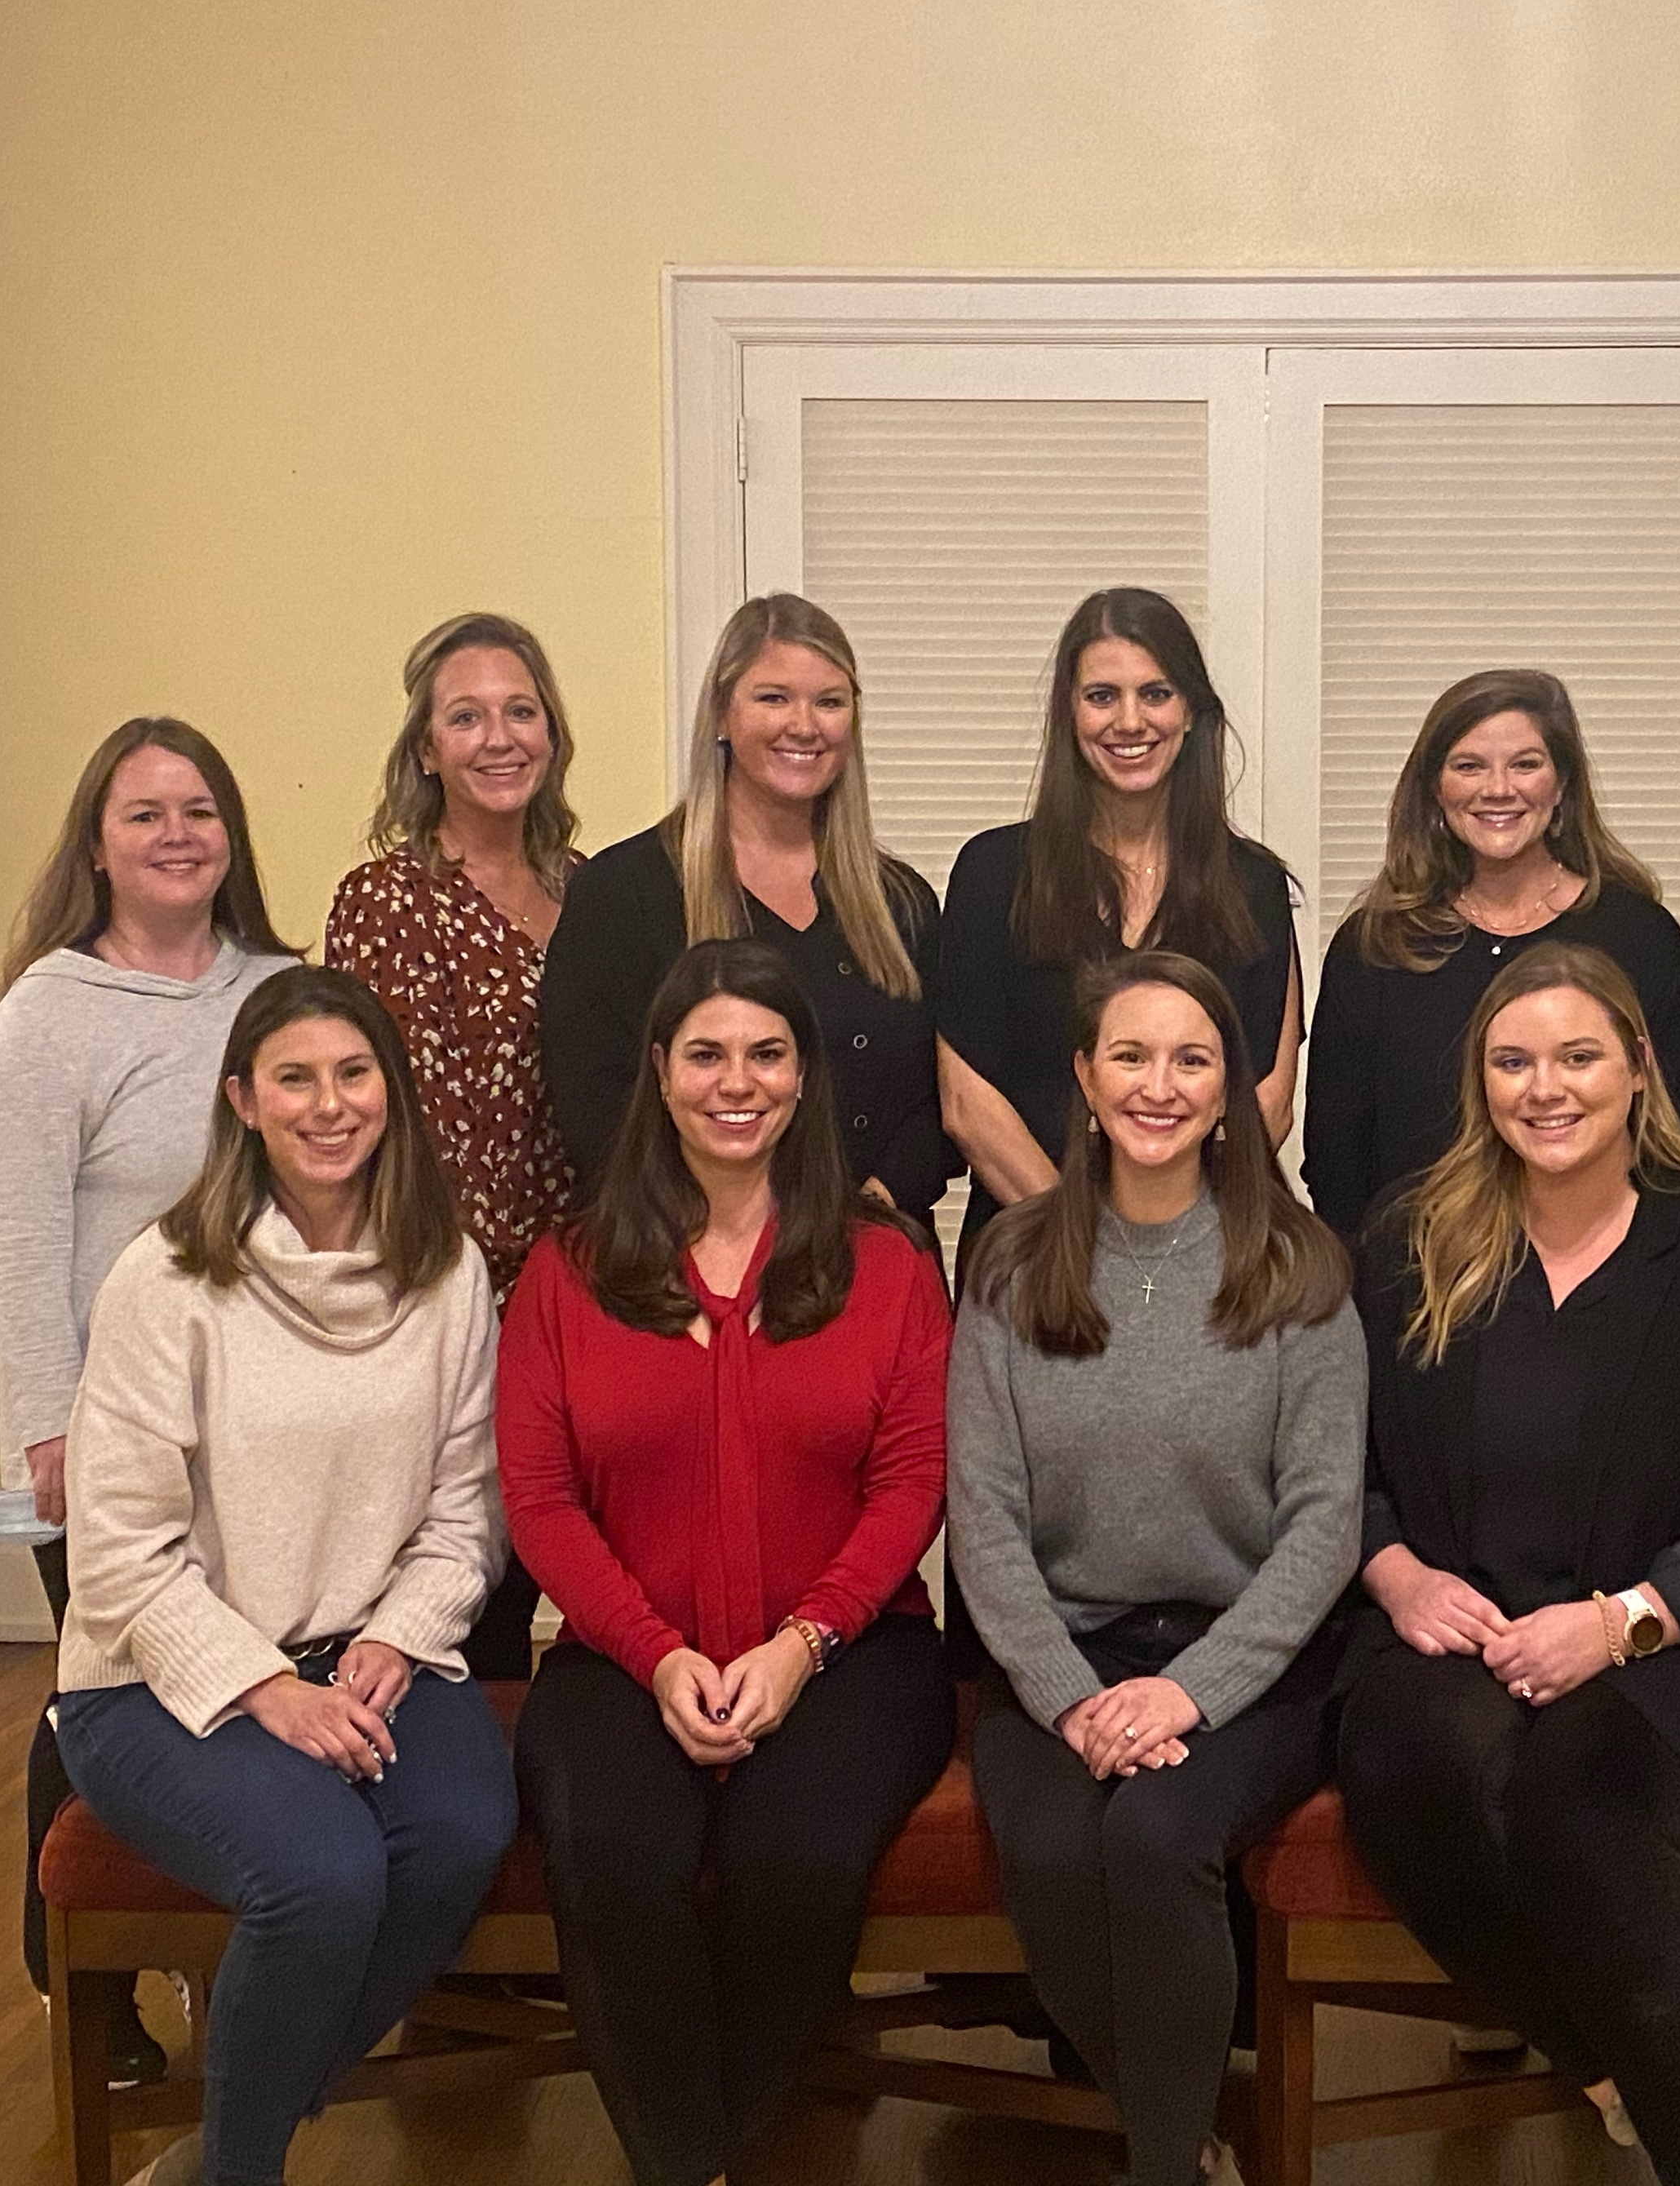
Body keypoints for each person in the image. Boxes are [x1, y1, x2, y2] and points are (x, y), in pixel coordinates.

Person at [1333, 942, 1680, 2186]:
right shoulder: (1407, 1243)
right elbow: (1322, 1461)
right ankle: (1643, 2086)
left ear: (1639, 1070)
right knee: (1415, 1758)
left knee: (1580, 1788)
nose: (1546, 1088)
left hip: (1677, 1649)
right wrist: (1393, 1571)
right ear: (1480, 1081)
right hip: (1456, 1627)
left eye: (1578, 1057)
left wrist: (1623, 1622)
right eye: (1513, 1062)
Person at [500, 938, 954, 2186]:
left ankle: (706, 2150)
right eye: (706, 1054)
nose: (736, 1082)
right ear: (660, 1071)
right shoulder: (566, 1272)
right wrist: (656, 1656)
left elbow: (912, 1483)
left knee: (792, 1858)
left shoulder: (887, 1267)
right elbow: (540, 1501)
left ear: (804, 1078)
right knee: (611, 1856)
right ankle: (692, 2164)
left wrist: (802, 1645)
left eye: (767, 1054)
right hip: (621, 1654)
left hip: (853, 1651)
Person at [50, 966, 512, 2186]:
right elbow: (118, 1553)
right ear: (243, 1102)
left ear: (391, 1091)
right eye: (294, 1080)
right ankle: (242, 2172)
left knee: (461, 1835)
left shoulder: (447, 1271)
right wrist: (265, 1687)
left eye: (354, 1074)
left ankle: (226, 2142)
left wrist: (398, 1635)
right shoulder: (168, 1278)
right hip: (159, 1680)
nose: (329, 1105)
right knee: (322, 1877)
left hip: (368, 1657)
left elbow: (467, 1510)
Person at [949, 951, 1363, 2186]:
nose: (1160, 1085)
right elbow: (982, 1517)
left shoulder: (1299, 1268)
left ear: (1231, 1090)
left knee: (1155, 1835)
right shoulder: (1011, 1265)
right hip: (1061, 1657)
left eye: (1193, 1060)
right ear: (1084, 1079)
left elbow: (1324, 1527)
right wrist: (1069, 1698)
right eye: (1130, 1056)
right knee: (1051, 1853)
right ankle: (1179, 2132)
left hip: (1252, 1663)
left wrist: (1190, 1693)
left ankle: (1165, 2164)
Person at [0, 715, 299, 2074]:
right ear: (96, 845)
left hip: (270, 1429)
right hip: (112, 1436)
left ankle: (232, 1960)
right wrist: (48, 1429)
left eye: (199, 809)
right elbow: (19, 1244)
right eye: (145, 812)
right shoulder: (45, 1019)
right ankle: (81, 1978)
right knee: (109, 1700)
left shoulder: (282, 991)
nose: (177, 834)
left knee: (238, 1702)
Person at [324, 610, 584, 1679]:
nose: (499, 737)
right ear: (426, 750)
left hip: (583, 1293)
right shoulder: (383, 903)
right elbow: (367, 1122)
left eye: (521, 711)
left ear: (551, 733)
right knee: (462, 1597)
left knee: (579, 1571)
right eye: (467, 717)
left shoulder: (596, 891)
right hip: (437, 1299)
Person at [541, 593, 952, 1234]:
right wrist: (727, 1237)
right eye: (773, 698)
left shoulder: (901, 902)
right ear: (721, 714)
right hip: (685, 1254)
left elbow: (941, 1100)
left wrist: (870, 1213)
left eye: (829, 702)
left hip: (875, 1252)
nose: (804, 725)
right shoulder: (621, 894)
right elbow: (595, 1110)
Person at [934, 588, 1301, 1267]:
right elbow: (966, 1101)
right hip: (1033, 1257)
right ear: (1069, 713)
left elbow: (1268, 1100)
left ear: (1191, 712)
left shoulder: (1253, 885)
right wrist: (1093, 1252)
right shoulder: (994, 874)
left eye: (1156, 694)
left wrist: (1168, 1247)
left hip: (1202, 1262)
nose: (1130, 721)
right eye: (1102, 696)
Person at [1305, 668, 1680, 1238]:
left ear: (1562, 783)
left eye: (1525, 764)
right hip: (1415, 1274)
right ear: (1434, 789)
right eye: (1469, 766)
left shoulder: (1640, 938)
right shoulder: (1374, 948)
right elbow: (1337, 1164)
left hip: (1607, 1273)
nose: (1498, 789)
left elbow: (1679, 1143)